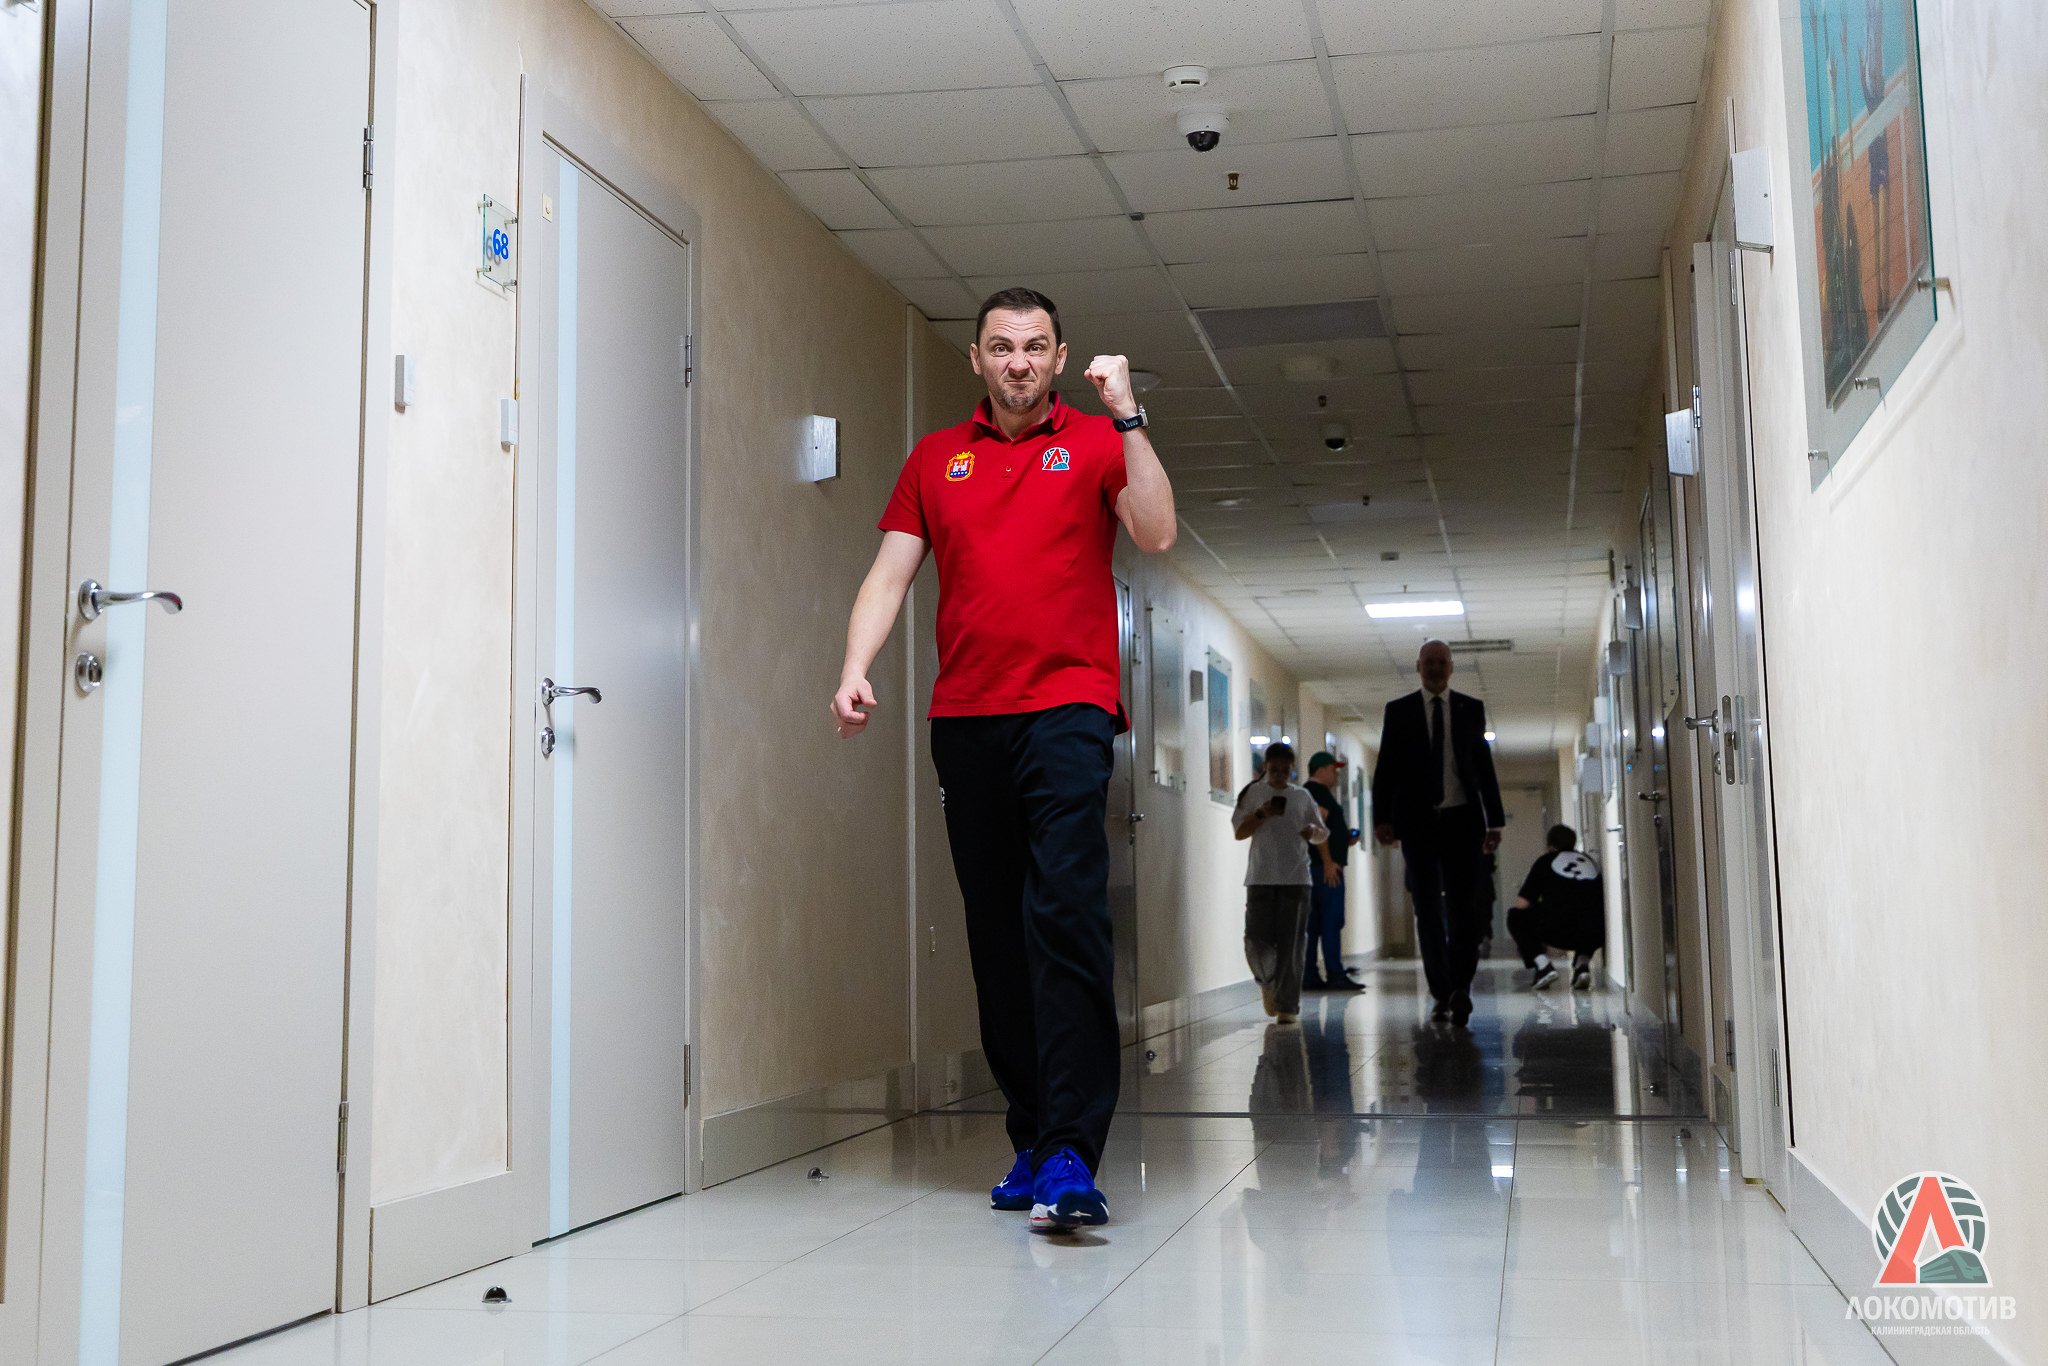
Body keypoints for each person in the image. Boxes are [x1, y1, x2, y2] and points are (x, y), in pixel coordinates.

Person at [831, 287, 1176, 1235]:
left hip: (1068, 710)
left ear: (1060, 358)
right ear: (977, 359)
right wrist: (856, 668)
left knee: (1065, 917)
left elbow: (1155, 531)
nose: (1018, 361)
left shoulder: (1097, 442)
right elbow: (889, 575)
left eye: (1034, 346)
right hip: (968, 719)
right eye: (1000, 346)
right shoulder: (934, 459)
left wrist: (1129, 416)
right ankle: (1032, 1137)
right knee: (996, 934)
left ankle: (1070, 1149)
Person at [1370, 639, 1505, 1029]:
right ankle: (1440, 990)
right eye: (1428, 662)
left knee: (1464, 908)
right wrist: (1382, 818)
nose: (1434, 668)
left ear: (1451, 668)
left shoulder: (1470, 708)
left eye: (1441, 662)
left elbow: (1483, 767)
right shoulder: (1399, 711)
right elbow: (1387, 767)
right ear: (1418, 667)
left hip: (1462, 820)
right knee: (1427, 908)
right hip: (1418, 824)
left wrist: (1494, 821)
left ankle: (1460, 986)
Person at [1231, 742, 1328, 1024]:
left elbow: (1322, 834)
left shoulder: (1302, 796)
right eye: (1274, 770)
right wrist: (1261, 814)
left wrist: (1313, 831)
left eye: (1285, 771)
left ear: (1292, 770)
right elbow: (1239, 832)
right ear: (1265, 767)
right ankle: (1268, 983)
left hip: (1296, 879)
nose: (1279, 776)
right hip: (1260, 877)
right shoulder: (1253, 793)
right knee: (1255, 940)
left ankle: (1288, 1006)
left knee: (1292, 946)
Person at [1507, 824, 1605, 991]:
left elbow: (1522, 904)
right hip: (1593, 932)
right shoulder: (1590, 862)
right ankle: (1582, 965)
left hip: (1556, 930)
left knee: (1515, 916)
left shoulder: (1545, 861)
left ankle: (1543, 965)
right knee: (1588, 914)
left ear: (1550, 845)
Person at [1301, 752, 1362, 991]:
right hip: (1324, 869)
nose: (1336, 775)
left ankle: (1310, 975)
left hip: (1317, 867)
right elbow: (1317, 827)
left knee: (1314, 924)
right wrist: (1328, 861)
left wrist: (1344, 839)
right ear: (1321, 770)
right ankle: (1334, 973)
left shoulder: (1312, 793)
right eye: (1333, 769)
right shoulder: (1316, 792)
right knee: (1330, 921)